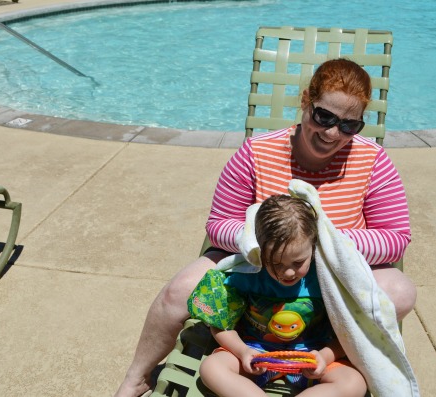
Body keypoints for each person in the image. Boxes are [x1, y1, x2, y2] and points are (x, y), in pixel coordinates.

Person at [114, 58, 416, 397]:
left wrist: (321, 244)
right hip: (261, 268)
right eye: (324, 117)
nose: (332, 133)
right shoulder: (257, 152)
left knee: (400, 291)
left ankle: (334, 349)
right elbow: (218, 226)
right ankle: (138, 377)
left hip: (336, 280)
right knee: (178, 291)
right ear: (306, 102)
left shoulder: (374, 160)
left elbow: (395, 239)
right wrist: (265, 243)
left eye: (348, 125)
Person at [196, 194, 367, 397]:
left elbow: (350, 333)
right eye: (276, 263)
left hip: (312, 356)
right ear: (259, 251)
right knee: (211, 368)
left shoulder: (325, 280)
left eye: (298, 263)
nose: (288, 273)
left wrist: (325, 357)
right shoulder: (245, 276)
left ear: (313, 247)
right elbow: (220, 325)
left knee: (353, 383)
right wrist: (242, 352)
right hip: (255, 353)